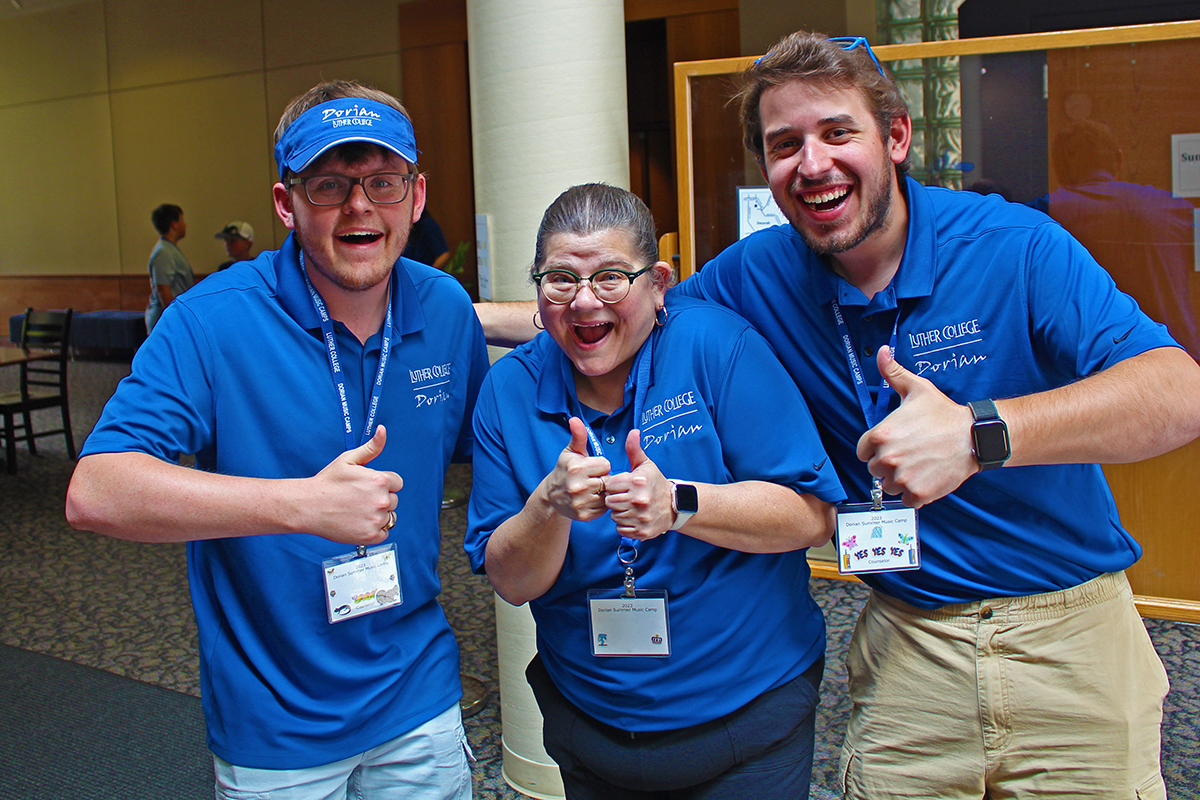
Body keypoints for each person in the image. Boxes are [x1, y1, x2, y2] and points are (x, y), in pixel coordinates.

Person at [471, 31, 1200, 799]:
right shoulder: (759, 273)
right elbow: (614, 309)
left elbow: (1178, 392)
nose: (811, 163)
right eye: (785, 144)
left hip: (1067, 629)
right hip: (909, 630)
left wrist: (980, 433)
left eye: (836, 132)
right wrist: (459, 314)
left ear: (896, 137)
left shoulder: (1011, 247)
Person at [66, 80, 488, 799]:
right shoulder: (212, 322)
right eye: (329, 184)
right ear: (285, 204)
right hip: (277, 721)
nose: (360, 206)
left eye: (382, 182)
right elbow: (95, 490)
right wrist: (300, 505)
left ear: (415, 199)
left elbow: (482, 443)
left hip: (416, 693)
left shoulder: (445, 310)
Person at [465, 184, 844, 799]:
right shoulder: (509, 390)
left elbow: (810, 515)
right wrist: (548, 507)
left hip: (746, 723)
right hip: (591, 728)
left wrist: (681, 505)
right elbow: (512, 583)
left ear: (659, 282)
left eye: (611, 277)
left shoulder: (716, 347)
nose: (584, 303)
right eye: (560, 279)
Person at [1036, 117, 1200, 359]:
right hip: (1180, 358)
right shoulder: (1177, 208)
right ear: (1120, 159)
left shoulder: (1044, 215)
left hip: (1100, 368)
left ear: (1059, 168)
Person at [145, 203, 193, 334]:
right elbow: (163, 290)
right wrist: (177, 319)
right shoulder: (164, 253)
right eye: (182, 220)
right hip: (166, 322)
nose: (185, 225)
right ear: (174, 224)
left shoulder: (169, 249)